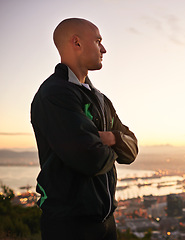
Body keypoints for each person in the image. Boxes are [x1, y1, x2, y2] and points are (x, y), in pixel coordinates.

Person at [30, 18, 138, 240]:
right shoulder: (54, 95)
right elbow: (91, 159)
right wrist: (112, 143)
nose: (104, 49)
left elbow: (132, 150)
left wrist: (112, 137)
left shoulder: (101, 100)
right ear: (76, 43)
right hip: (69, 226)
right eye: (98, 41)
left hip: (107, 223)